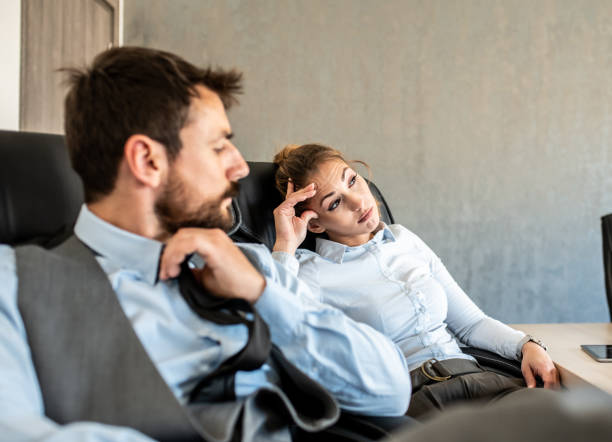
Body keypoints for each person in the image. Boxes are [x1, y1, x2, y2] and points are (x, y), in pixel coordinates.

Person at [0, 47, 414, 442]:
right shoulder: (14, 287)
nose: (238, 167)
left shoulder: (251, 266)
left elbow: (390, 392)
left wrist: (263, 295)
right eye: (218, 146)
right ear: (147, 161)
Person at [270, 143, 560, 419]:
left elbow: (472, 324)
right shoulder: (309, 270)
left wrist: (527, 345)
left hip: (479, 378)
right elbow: (274, 328)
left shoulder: (403, 239)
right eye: (335, 203)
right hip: (415, 400)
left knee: (575, 418)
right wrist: (285, 244)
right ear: (315, 222)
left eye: (352, 181)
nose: (359, 201)